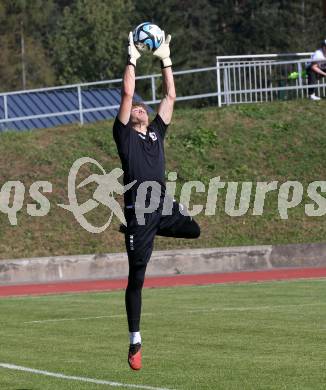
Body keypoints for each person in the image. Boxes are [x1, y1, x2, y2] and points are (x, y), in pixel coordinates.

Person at [113, 32, 200, 371]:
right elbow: (127, 92)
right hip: (140, 214)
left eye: (142, 107)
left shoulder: (155, 133)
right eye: (135, 107)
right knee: (137, 278)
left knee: (194, 230)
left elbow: (171, 95)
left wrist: (165, 57)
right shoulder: (124, 135)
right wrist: (132, 57)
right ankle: (135, 339)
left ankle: (154, 225)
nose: (139, 107)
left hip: (161, 208)